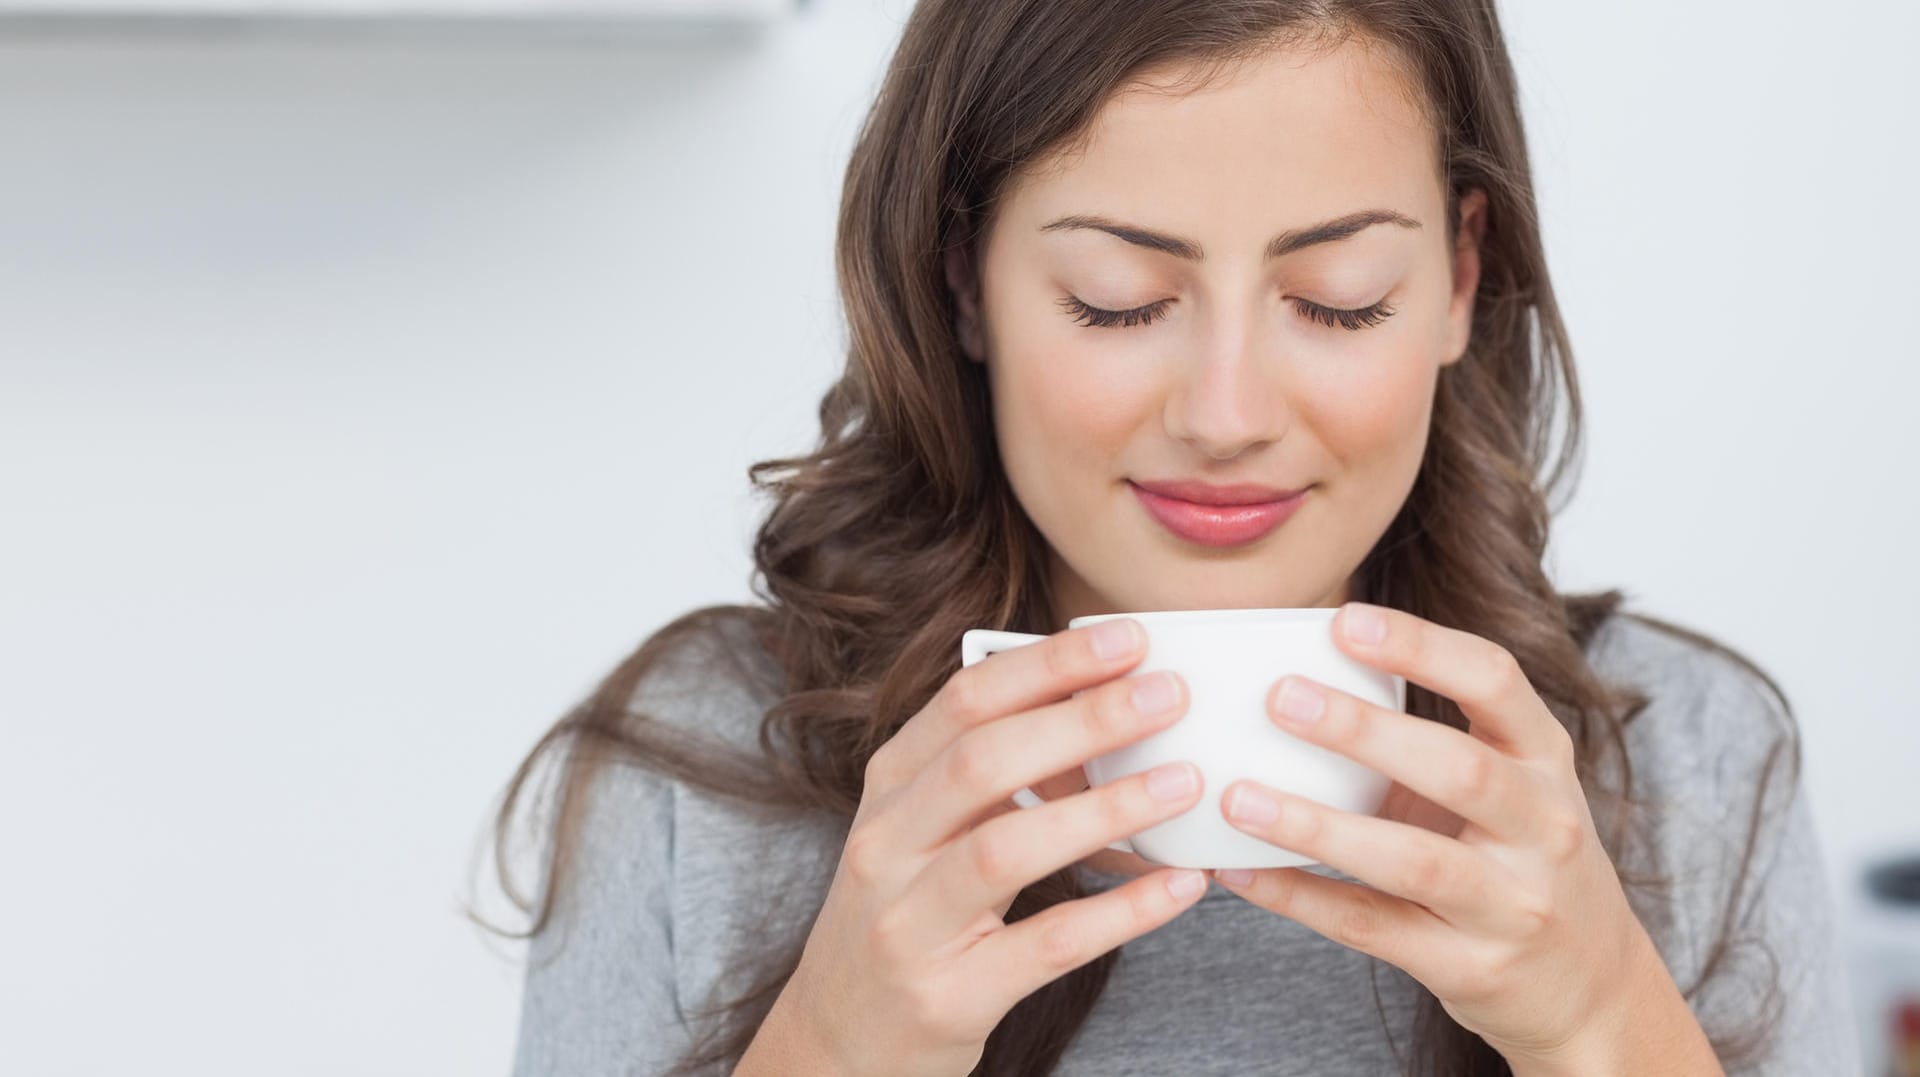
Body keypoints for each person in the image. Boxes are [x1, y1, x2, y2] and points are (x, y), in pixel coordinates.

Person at [475, 1, 1861, 1074]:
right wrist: (835, 1042)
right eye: (1119, 297)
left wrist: (1606, 1020)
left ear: (1459, 276)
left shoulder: (1691, 756)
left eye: (1338, 297)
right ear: (967, 280)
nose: (1227, 413)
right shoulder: (698, 776)